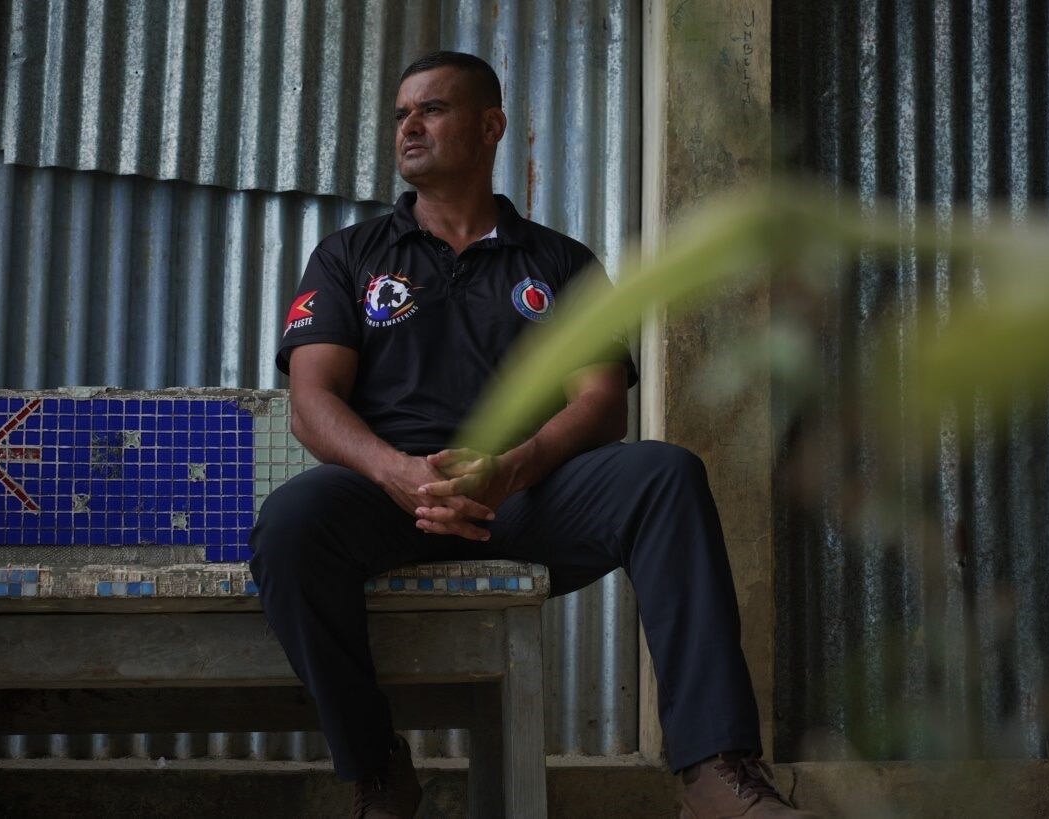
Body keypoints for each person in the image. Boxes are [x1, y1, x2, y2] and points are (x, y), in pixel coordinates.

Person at [249, 50, 817, 819]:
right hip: (390, 497)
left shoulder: (560, 261)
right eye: (401, 114)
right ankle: (378, 768)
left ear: (492, 127)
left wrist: (513, 468)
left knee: (666, 475)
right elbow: (312, 401)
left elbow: (601, 403)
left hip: (525, 495)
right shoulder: (350, 256)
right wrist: (396, 471)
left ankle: (715, 768)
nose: (409, 126)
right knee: (289, 524)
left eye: (432, 109)